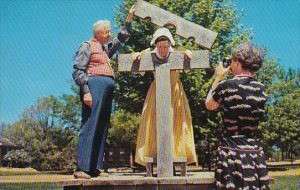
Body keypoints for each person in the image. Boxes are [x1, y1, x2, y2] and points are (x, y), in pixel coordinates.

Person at [72, 5, 135, 179]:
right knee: (90, 124)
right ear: (98, 33)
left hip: (106, 89)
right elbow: (78, 70)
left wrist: (129, 19)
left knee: (101, 126)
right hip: (93, 87)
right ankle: (81, 168)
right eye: (107, 32)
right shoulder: (87, 46)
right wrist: (86, 91)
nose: (110, 34)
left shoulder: (105, 49)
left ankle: (93, 167)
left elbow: (121, 39)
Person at [205, 42, 270, 189]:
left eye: (233, 60)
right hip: (254, 155)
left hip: (231, 153)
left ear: (238, 62)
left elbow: (209, 104)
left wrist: (218, 77)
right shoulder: (261, 89)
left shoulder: (226, 86)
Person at [133, 28, 197, 168]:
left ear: (169, 45)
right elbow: (139, 71)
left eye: (165, 46)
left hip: (175, 92)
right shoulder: (149, 55)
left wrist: (187, 54)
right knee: (153, 122)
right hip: (157, 92)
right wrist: (136, 56)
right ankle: (155, 157)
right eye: (160, 46)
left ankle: (176, 155)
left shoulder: (178, 53)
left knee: (178, 123)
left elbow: (187, 68)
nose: (162, 49)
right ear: (156, 45)